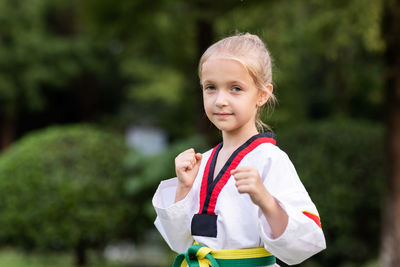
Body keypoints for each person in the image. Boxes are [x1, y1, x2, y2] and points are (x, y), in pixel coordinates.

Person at [152, 33, 326, 266]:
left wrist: (266, 200)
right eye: (211, 87)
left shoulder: (270, 159)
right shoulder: (201, 162)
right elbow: (179, 242)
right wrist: (183, 188)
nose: (220, 100)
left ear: (262, 95)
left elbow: (305, 243)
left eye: (235, 88)